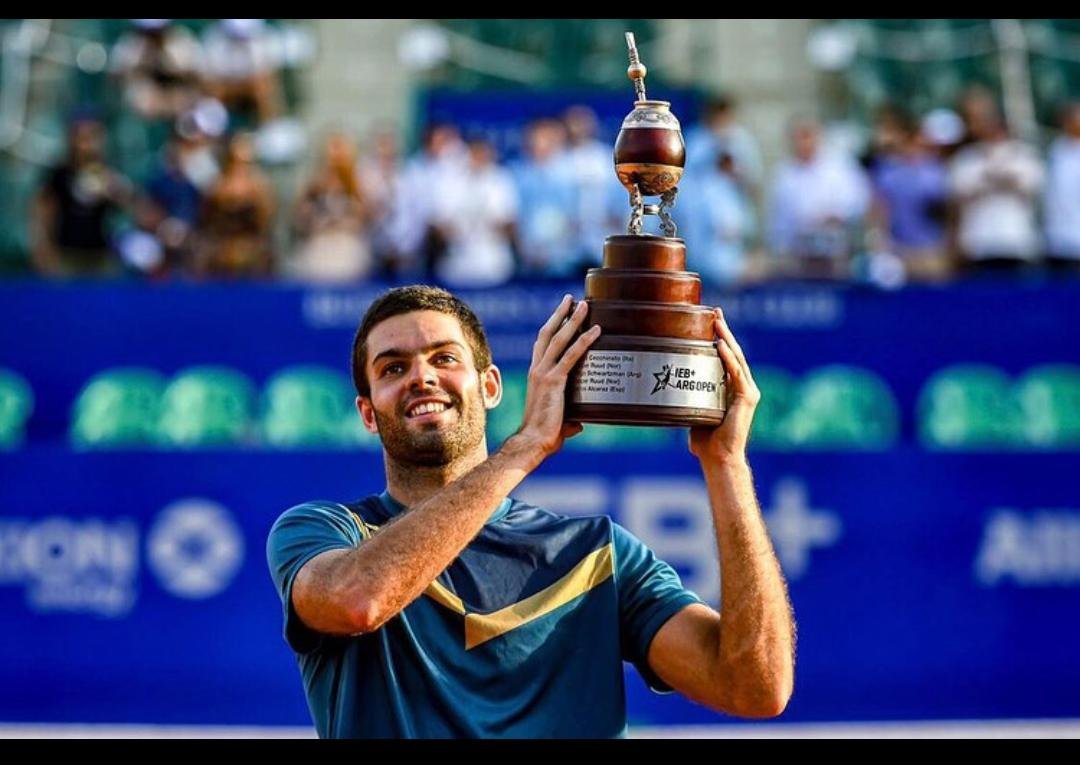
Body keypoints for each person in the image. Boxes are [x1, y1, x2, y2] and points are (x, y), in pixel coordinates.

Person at [266, 285, 795, 738]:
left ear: (490, 386)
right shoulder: (325, 532)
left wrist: (725, 463)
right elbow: (358, 601)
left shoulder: (599, 555)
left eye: (444, 358)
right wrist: (525, 447)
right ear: (367, 413)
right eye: (393, 367)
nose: (422, 377)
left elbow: (755, 686)